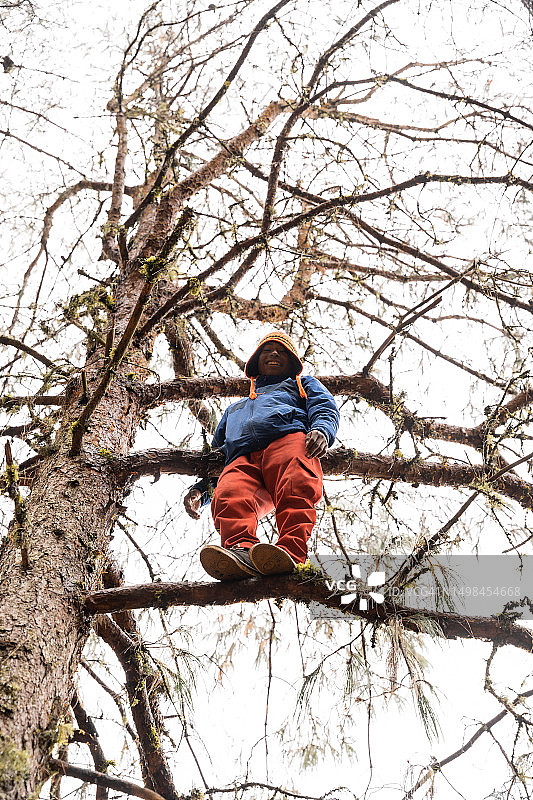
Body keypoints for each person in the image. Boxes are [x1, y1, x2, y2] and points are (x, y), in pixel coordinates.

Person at [184, 331, 340, 580]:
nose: (275, 354)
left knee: (296, 484)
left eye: (282, 351)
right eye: (267, 351)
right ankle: (240, 552)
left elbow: (324, 405)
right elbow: (216, 457)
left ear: (292, 363)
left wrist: (322, 430)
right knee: (229, 493)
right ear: (256, 361)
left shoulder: (302, 384)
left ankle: (290, 552)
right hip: (241, 456)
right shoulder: (235, 409)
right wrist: (202, 491)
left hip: (288, 439)